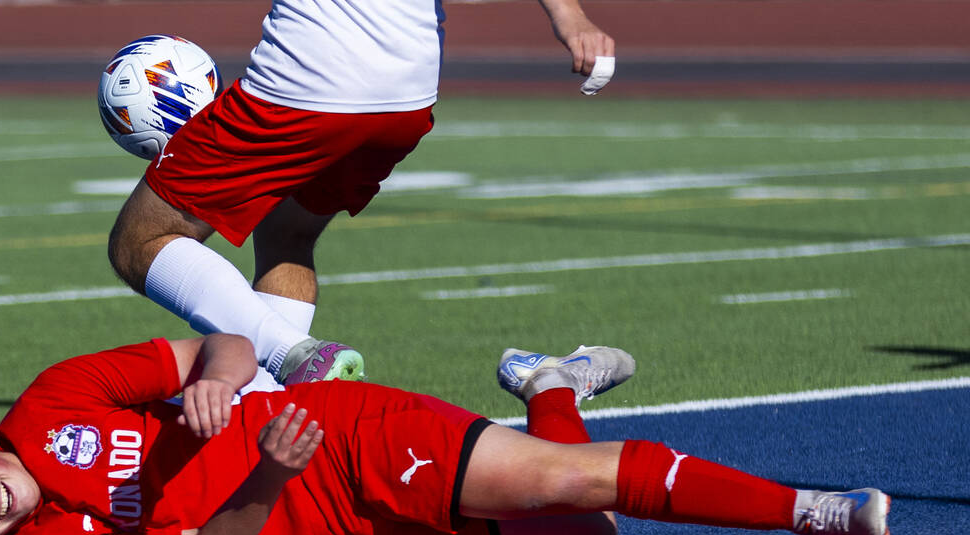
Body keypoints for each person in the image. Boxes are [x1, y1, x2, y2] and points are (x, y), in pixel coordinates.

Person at [0, 334, 890, 535]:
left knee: (570, 482)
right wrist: (264, 473)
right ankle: (553, 385)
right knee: (584, 534)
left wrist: (220, 375)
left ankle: (812, 511)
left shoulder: (51, 400)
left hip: (341, 436)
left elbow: (214, 346)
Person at [106, 0, 617, 384]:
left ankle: (291, 356)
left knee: (141, 240)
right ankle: (265, 404)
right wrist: (571, 17)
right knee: (287, 231)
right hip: (408, 96)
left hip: (311, 77)